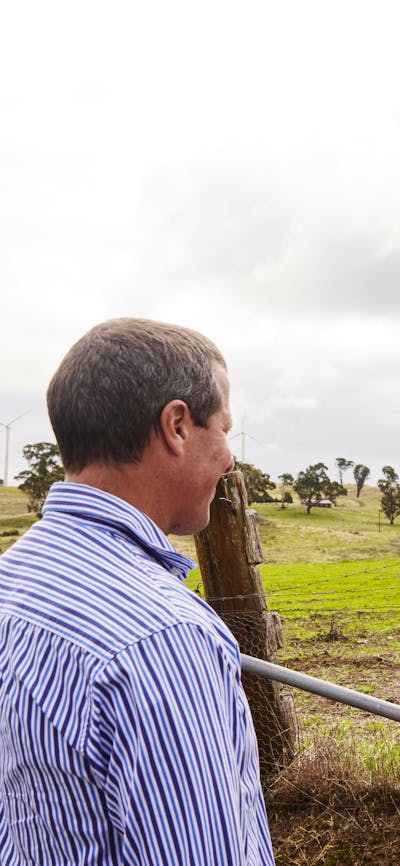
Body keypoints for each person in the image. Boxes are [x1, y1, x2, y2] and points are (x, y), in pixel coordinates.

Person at [0, 318, 275, 865]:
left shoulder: (13, 580)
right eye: (222, 427)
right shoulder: (165, 640)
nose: (229, 457)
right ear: (176, 425)